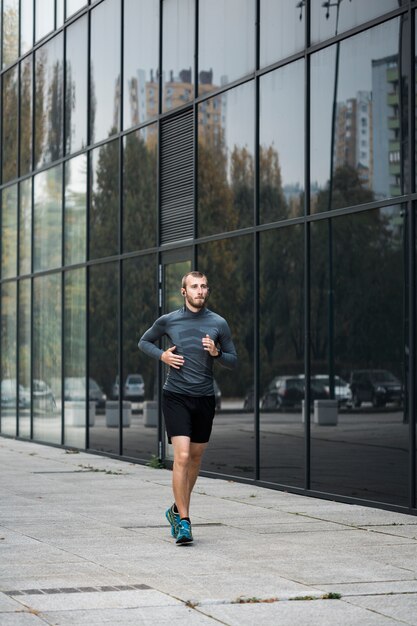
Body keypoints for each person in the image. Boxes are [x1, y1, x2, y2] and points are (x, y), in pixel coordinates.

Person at [138, 271, 237, 544]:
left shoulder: (218, 323)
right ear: (184, 292)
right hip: (176, 396)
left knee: (195, 459)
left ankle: (174, 510)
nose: (200, 291)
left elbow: (234, 359)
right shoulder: (169, 320)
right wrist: (163, 355)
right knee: (181, 457)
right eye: (194, 286)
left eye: (204, 286)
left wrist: (217, 354)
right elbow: (144, 341)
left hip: (204, 398)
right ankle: (184, 521)